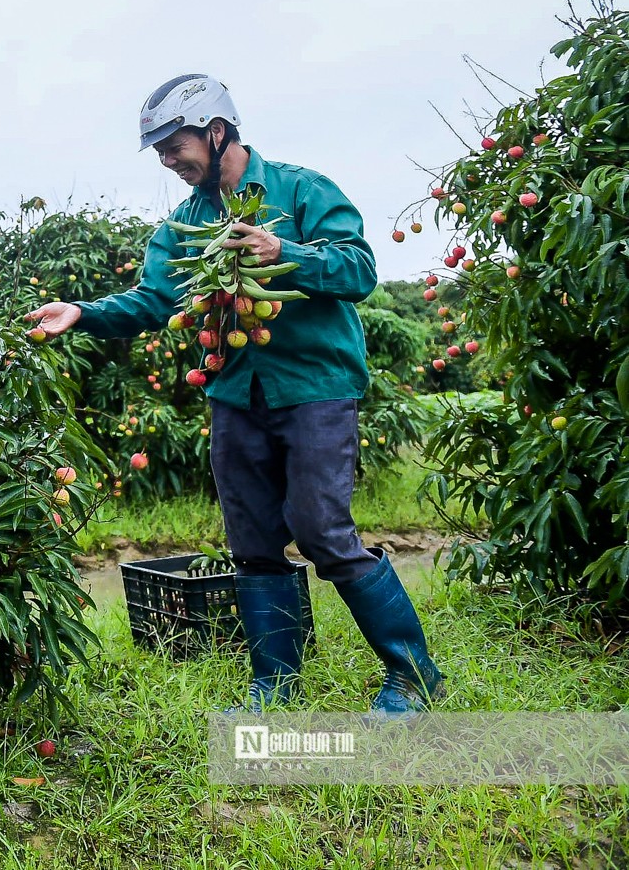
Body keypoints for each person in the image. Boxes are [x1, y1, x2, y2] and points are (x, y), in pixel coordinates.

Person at [25, 75, 444, 723]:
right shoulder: (183, 226)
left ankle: (412, 676)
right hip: (234, 395)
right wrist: (82, 311)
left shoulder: (302, 190)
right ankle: (274, 685)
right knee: (249, 541)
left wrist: (286, 252)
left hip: (315, 387)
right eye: (160, 150)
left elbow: (359, 268)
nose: (168, 159)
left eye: (174, 143)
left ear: (217, 129)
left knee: (323, 530)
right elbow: (154, 300)